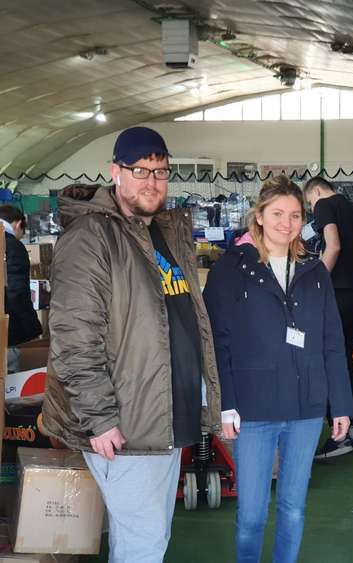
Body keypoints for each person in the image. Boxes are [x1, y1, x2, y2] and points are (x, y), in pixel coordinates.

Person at [41, 127, 222, 563]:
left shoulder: (160, 231)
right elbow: (73, 335)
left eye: (160, 171)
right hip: (126, 425)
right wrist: (100, 418)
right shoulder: (92, 238)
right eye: (139, 170)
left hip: (160, 417)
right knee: (144, 545)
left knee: (142, 538)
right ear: (115, 172)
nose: (151, 181)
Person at [204, 175, 353, 563]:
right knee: (252, 515)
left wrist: (340, 403)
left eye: (295, 215)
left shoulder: (314, 272)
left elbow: (332, 341)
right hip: (253, 411)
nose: (286, 223)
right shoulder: (232, 269)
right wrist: (225, 403)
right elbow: (216, 341)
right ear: (260, 215)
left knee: (293, 509)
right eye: (277, 214)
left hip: (305, 410)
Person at [303, 177, 353, 459]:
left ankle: (339, 434)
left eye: (309, 202)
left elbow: (333, 246)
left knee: (328, 361)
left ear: (316, 191)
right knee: (343, 360)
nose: (311, 207)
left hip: (333, 294)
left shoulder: (323, 206)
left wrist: (314, 283)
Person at [0, 205, 42, 372]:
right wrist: (32, 327)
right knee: (12, 384)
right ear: (18, 224)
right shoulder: (12, 246)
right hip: (10, 333)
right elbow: (16, 293)